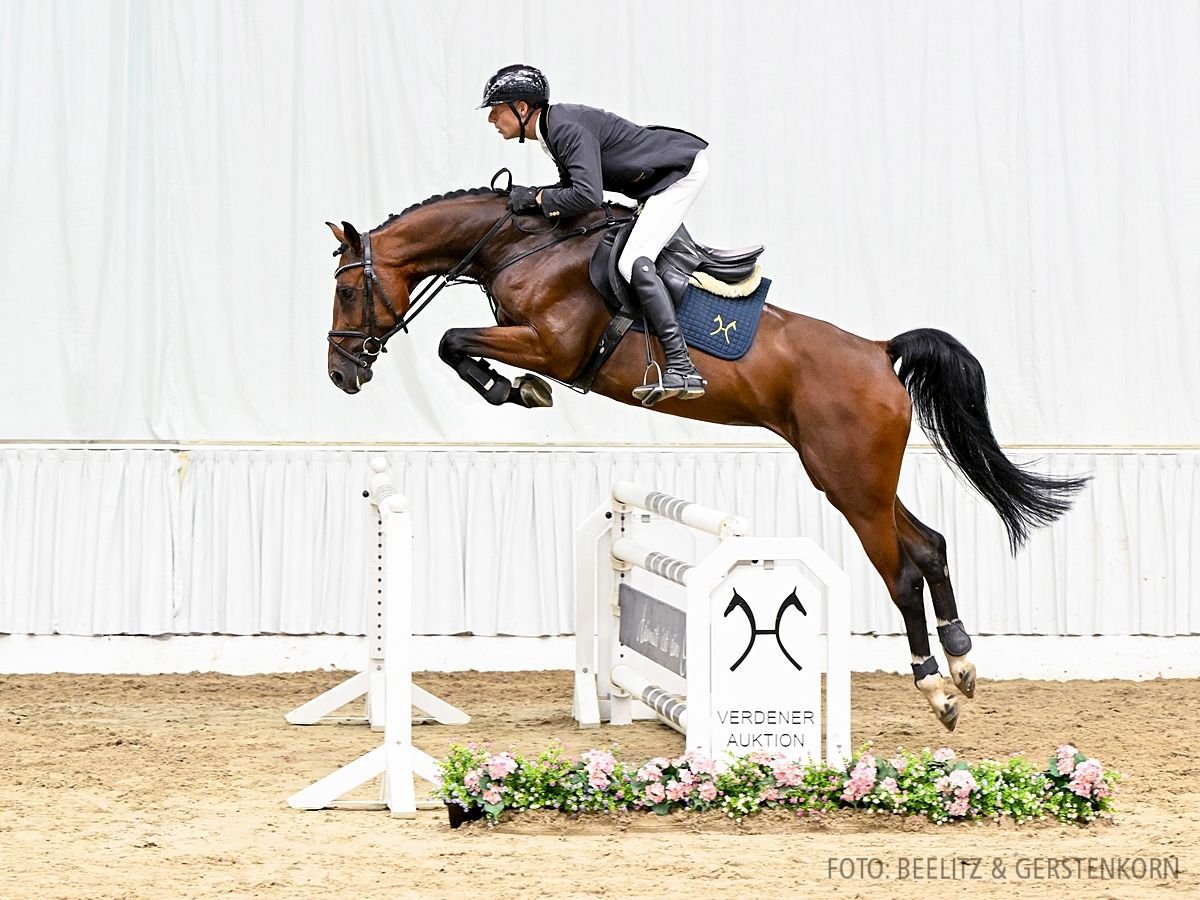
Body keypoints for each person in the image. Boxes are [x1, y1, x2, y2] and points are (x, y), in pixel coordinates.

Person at [479, 64, 709, 405]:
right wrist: (535, 197)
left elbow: (588, 196)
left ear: (522, 108)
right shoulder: (551, 129)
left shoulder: (564, 127)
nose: (491, 120)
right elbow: (572, 188)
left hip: (677, 176)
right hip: (655, 179)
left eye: (496, 111)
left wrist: (538, 197)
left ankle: (682, 365)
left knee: (633, 261)